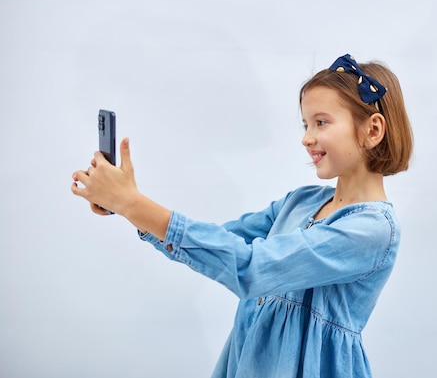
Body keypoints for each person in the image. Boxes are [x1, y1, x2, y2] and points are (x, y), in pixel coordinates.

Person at [71, 54, 413, 377]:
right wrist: (129, 207)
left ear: (372, 130)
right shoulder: (301, 201)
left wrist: (133, 203)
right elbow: (216, 243)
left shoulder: (372, 229)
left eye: (321, 122)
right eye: (306, 124)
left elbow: (252, 268)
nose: (307, 138)